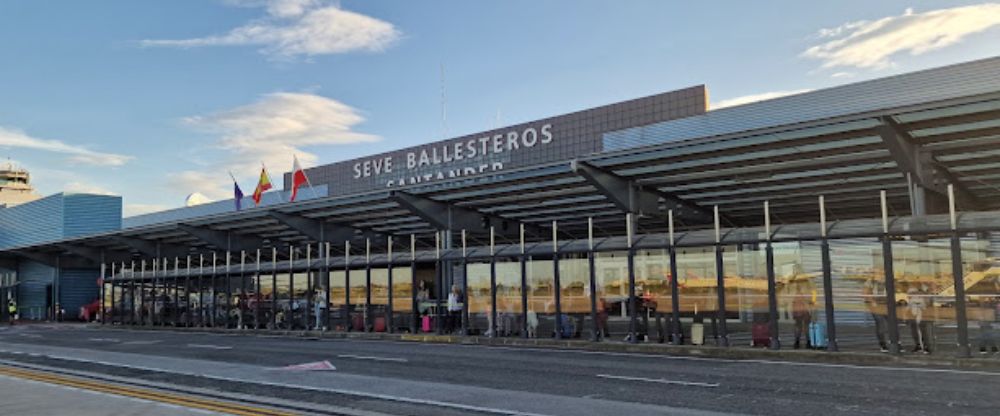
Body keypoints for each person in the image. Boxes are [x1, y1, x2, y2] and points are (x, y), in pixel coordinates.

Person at [862, 277, 889, 352]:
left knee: (891, 324)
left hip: (888, 304)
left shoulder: (890, 278)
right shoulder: (871, 281)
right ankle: (883, 344)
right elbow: (865, 293)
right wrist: (872, 302)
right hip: (876, 305)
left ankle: (894, 342)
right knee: (880, 323)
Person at [907, 286, 931, 354]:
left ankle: (924, 346)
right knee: (916, 332)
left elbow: (924, 307)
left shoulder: (918, 299)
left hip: (920, 317)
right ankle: (920, 346)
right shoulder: (913, 299)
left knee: (921, 332)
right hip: (914, 318)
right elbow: (908, 308)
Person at [792, 285, 811, 349]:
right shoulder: (801, 295)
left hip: (799, 313)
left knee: (800, 328)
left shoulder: (796, 295)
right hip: (803, 312)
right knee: (805, 328)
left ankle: (797, 342)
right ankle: (807, 342)